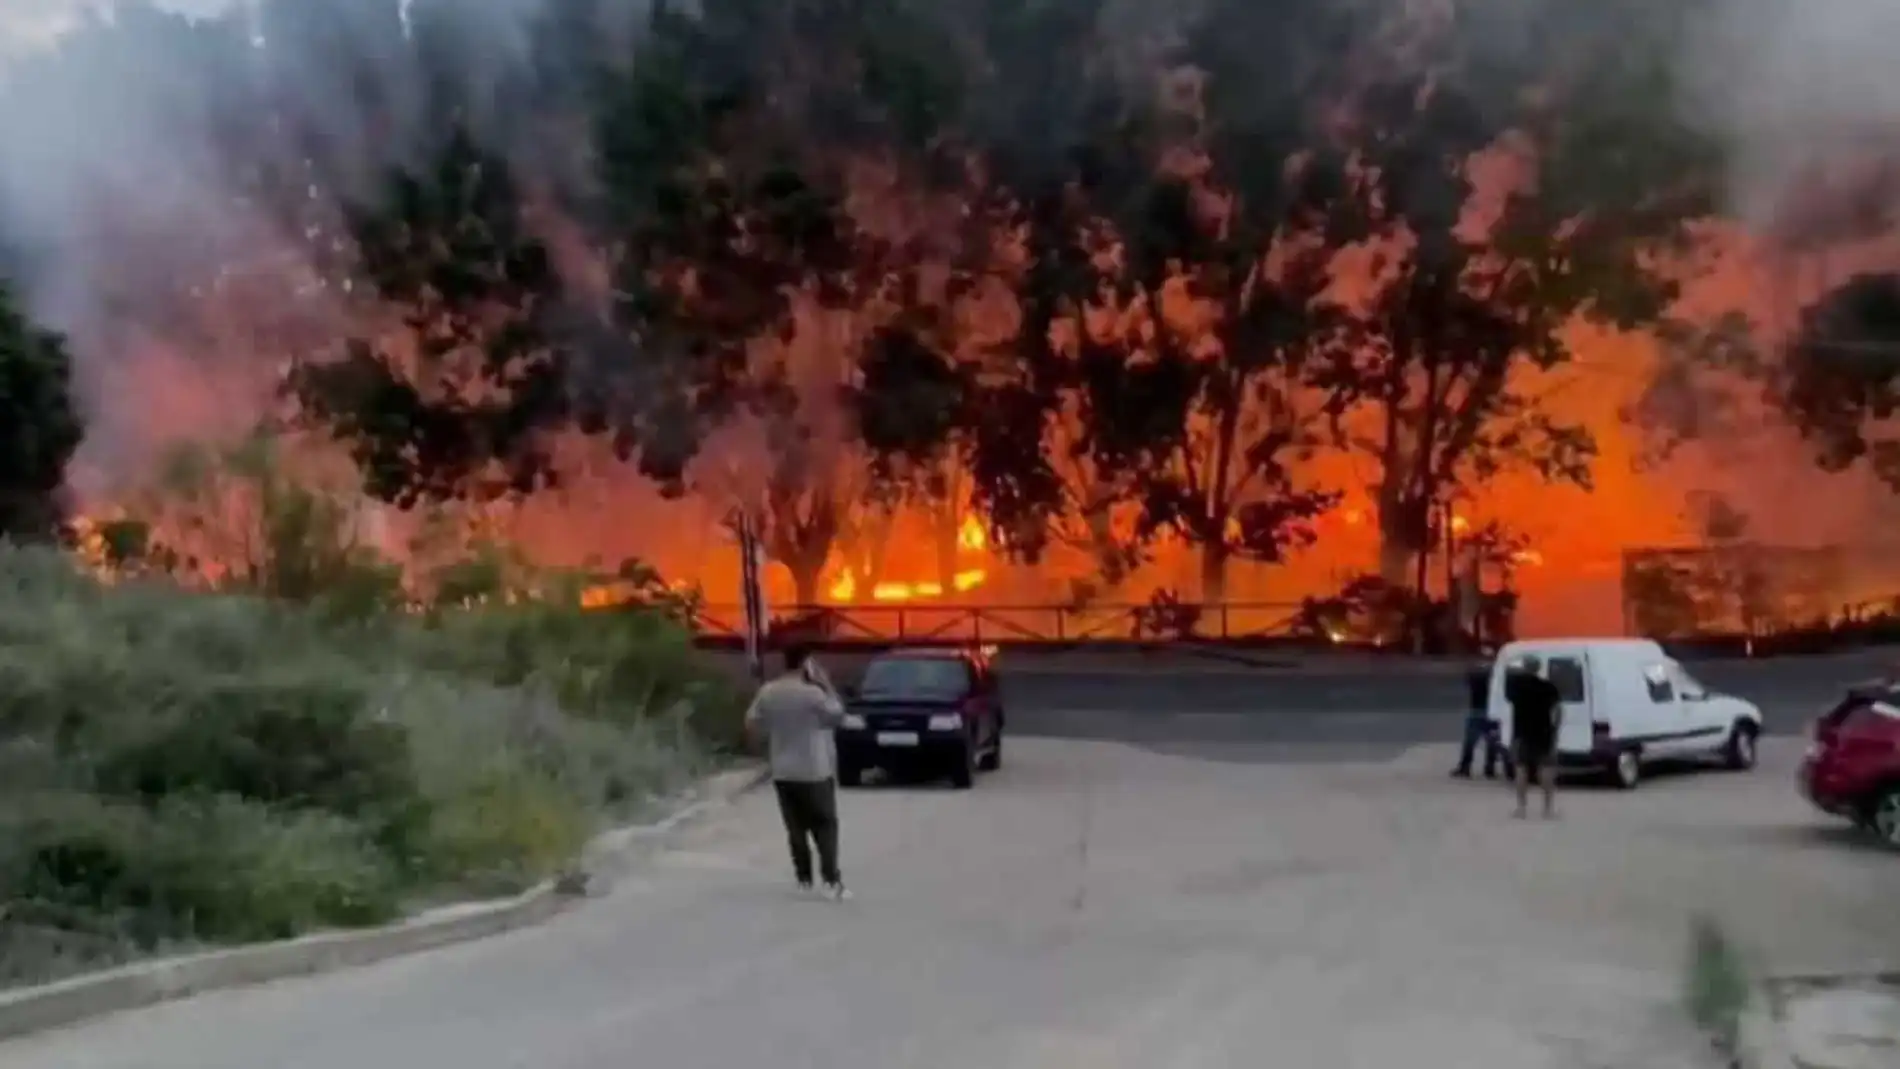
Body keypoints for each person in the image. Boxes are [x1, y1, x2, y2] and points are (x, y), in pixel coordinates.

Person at [745, 644, 851, 899]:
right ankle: (831, 880)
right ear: (806, 665)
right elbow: (837, 715)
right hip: (814, 770)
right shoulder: (813, 694)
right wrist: (826, 684)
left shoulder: (768, 692)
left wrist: (772, 734)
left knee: (795, 828)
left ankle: (803, 878)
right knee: (825, 825)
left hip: (783, 770)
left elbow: (751, 722)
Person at [1505, 655, 1563, 819]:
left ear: (1524, 667)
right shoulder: (1548, 687)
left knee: (1521, 770)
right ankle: (1548, 809)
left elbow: (1508, 680)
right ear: (1539, 668)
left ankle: (1521, 808)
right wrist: (1555, 728)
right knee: (1546, 770)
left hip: (1522, 733)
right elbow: (1558, 710)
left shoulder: (1516, 687)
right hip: (1544, 733)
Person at [1451, 655, 1514, 780]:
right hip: (1493, 711)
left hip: (1476, 710)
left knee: (1470, 742)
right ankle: (1490, 768)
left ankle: (1465, 766)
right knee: (1494, 742)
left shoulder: (1475, 676)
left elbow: (1468, 677)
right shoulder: (1498, 677)